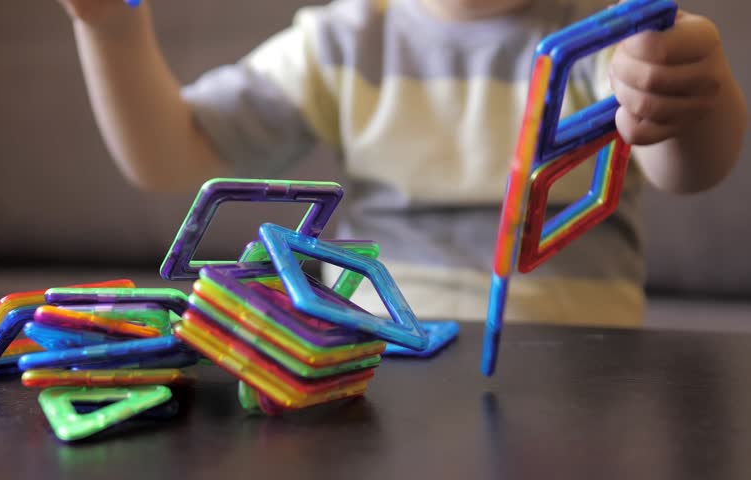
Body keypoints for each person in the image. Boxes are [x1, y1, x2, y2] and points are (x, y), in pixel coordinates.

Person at [55, 0, 746, 326]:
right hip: (379, 363)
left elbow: (689, 170)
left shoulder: (607, 36)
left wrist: (684, 83)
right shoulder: (339, 43)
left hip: (582, 370)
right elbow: (172, 155)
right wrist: (113, 31)